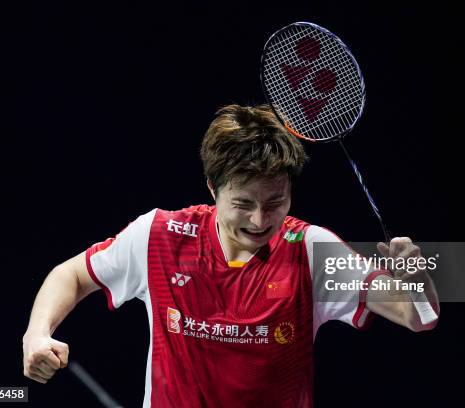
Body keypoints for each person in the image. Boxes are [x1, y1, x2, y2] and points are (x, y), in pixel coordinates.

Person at [22, 104, 439, 407]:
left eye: (276, 201)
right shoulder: (161, 236)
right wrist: (36, 335)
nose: (260, 219)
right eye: (243, 203)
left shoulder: (311, 250)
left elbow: (419, 317)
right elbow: (72, 274)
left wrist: (415, 276)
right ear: (212, 188)